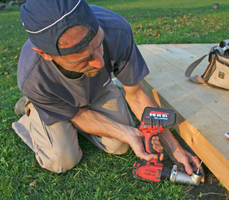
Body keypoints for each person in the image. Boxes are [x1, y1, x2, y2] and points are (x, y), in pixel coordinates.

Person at [12, 0, 204, 180]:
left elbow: (136, 94)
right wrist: (123, 130)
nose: (100, 62)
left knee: (119, 145)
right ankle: (34, 109)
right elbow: (77, 115)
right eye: (83, 60)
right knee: (61, 159)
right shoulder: (33, 76)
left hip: (95, 89)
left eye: (99, 45)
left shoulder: (117, 30)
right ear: (45, 54)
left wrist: (174, 148)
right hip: (60, 99)